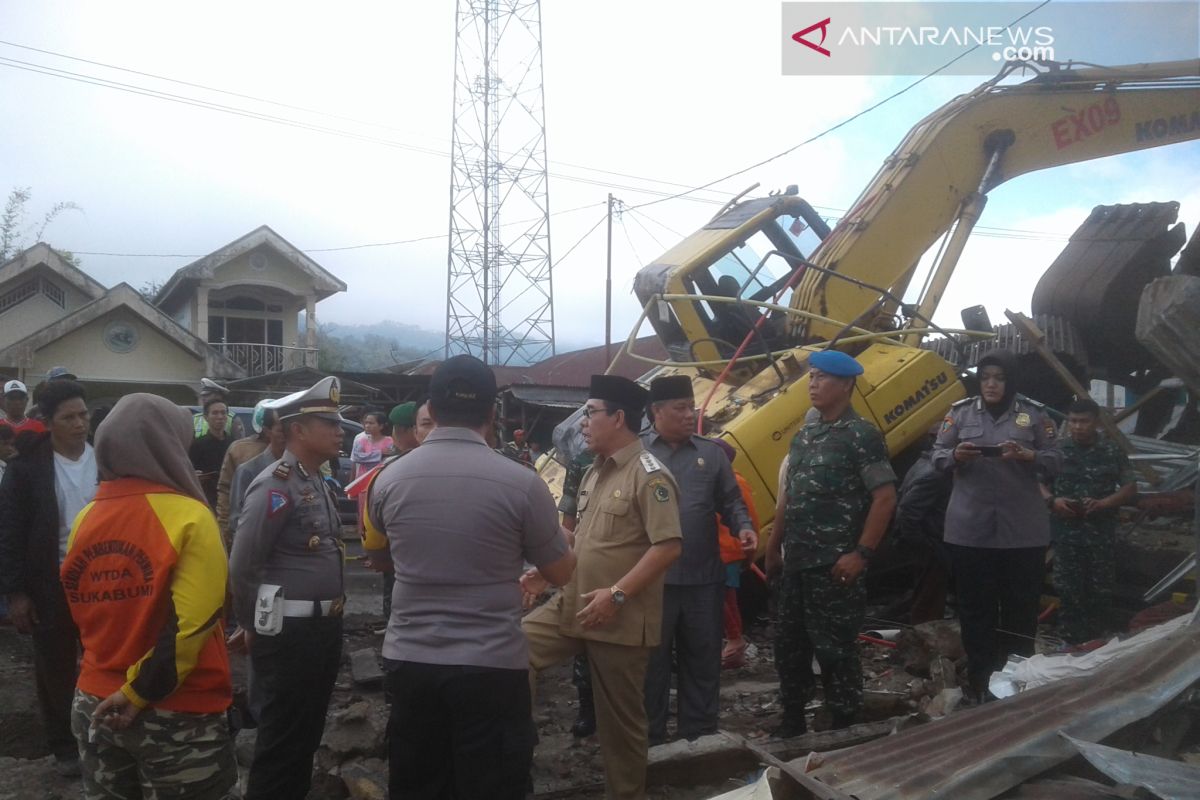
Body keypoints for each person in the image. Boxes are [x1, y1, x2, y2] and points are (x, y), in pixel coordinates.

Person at [368, 356, 576, 799]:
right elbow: (560, 572)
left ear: (433, 411)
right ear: (492, 413)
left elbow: (381, 557)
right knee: (492, 785)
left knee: (419, 782)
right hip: (491, 666)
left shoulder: (387, 481)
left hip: (411, 660)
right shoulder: (523, 484)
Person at [62, 393, 237, 800]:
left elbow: (85, 611)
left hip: (94, 700)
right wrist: (139, 692)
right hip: (175, 712)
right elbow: (193, 625)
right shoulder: (190, 516)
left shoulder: (86, 517)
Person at [523, 375, 683, 800]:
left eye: (590, 413)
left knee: (621, 724)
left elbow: (667, 546)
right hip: (574, 603)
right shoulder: (595, 471)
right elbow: (582, 536)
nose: (582, 423)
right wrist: (545, 570)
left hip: (619, 615)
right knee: (514, 652)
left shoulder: (650, 476)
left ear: (618, 418)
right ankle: (515, 756)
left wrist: (617, 594)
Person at [766, 350, 897, 736]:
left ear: (846, 385)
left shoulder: (862, 436)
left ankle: (843, 722)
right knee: (789, 646)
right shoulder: (804, 436)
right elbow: (789, 497)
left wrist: (861, 553)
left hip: (835, 565)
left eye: (822, 378)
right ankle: (792, 718)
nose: (813, 384)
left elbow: (885, 497)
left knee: (835, 649)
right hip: (797, 563)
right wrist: (774, 548)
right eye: (811, 378)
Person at [229, 376, 347, 800]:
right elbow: (244, 564)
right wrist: (250, 623)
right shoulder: (275, 484)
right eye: (329, 424)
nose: (339, 433)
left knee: (305, 734)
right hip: (288, 633)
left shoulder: (315, 480)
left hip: (321, 630)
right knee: (281, 740)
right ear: (298, 429)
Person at [931, 350, 1061, 704]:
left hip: (1022, 533)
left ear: (1010, 382)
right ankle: (982, 680)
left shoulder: (1034, 415)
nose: (991, 384)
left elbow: (1057, 458)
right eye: (986, 376)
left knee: (1020, 609)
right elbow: (936, 455)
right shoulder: (959, 413)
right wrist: (956, 456)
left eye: (999, 378)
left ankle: (1018, 681)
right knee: (976, 610)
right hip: (971, 532)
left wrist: (1029, 456)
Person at [641, 375, 756, 744]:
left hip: (703, 581)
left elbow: (731, 501)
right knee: (651, 666)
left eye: (691, 407)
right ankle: (650, 740)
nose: (690, 415)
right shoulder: (637, 453)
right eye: (680, 408)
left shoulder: (711, 454)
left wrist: (743, 527)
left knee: (702, 661)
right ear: (657, 412)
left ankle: (699, 737)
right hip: (651, 582)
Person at [0, 378, 97, 775]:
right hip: (51, 584)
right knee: (55, 667)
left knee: (104, 661)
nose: (79, 424)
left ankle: (103, 738)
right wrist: (16, 592)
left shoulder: (107, 459)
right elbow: (9, 533)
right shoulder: (27, 470)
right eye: (68, 417)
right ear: (48, 422)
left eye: (83, 415)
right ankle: (64, 747)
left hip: (104, 583)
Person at [1041, 397, 1136, 644]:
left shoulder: (1111, 450)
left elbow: (1129, 487)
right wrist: (1053, 501)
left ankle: (1097, 643)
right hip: (1066, 537)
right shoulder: (1058, 451)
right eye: (1073, 421)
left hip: (1099, 536)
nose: (1078, 426)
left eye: (1084, 421)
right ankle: (1070, 644)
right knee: (1070, 592)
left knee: (1100, 592)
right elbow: (1037, 483)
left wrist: (1105, 503)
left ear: (1096, 422)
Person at [709, 437, 761, 670]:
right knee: (725, 599)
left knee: (719, 597)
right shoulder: (716, 482)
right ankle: (734, 647)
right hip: (720, 552)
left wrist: (748, 553)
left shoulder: (734, 484)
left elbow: (749, 520)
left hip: (727, 552)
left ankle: (735, 641)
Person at [891, 430, 954, 625]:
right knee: (928, 604)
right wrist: (925, 545)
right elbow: (907, 512)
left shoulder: (922, 463)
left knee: (924, 597)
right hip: (933, 543)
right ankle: (925, 644)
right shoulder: (937, 473)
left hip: (928, 543)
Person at [216, 400, 273, 547]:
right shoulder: (239, 449)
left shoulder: (290, 449)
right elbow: (225, 489)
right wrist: (224, 528)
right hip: (244, 525)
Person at [190, 396, 233, 510]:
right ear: (206, 417)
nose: (220, 417)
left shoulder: (234, 444)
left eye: (223, 413)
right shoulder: (197, 445)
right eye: (215, 413)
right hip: (206, 500)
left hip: (229, 499)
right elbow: (189, 472)